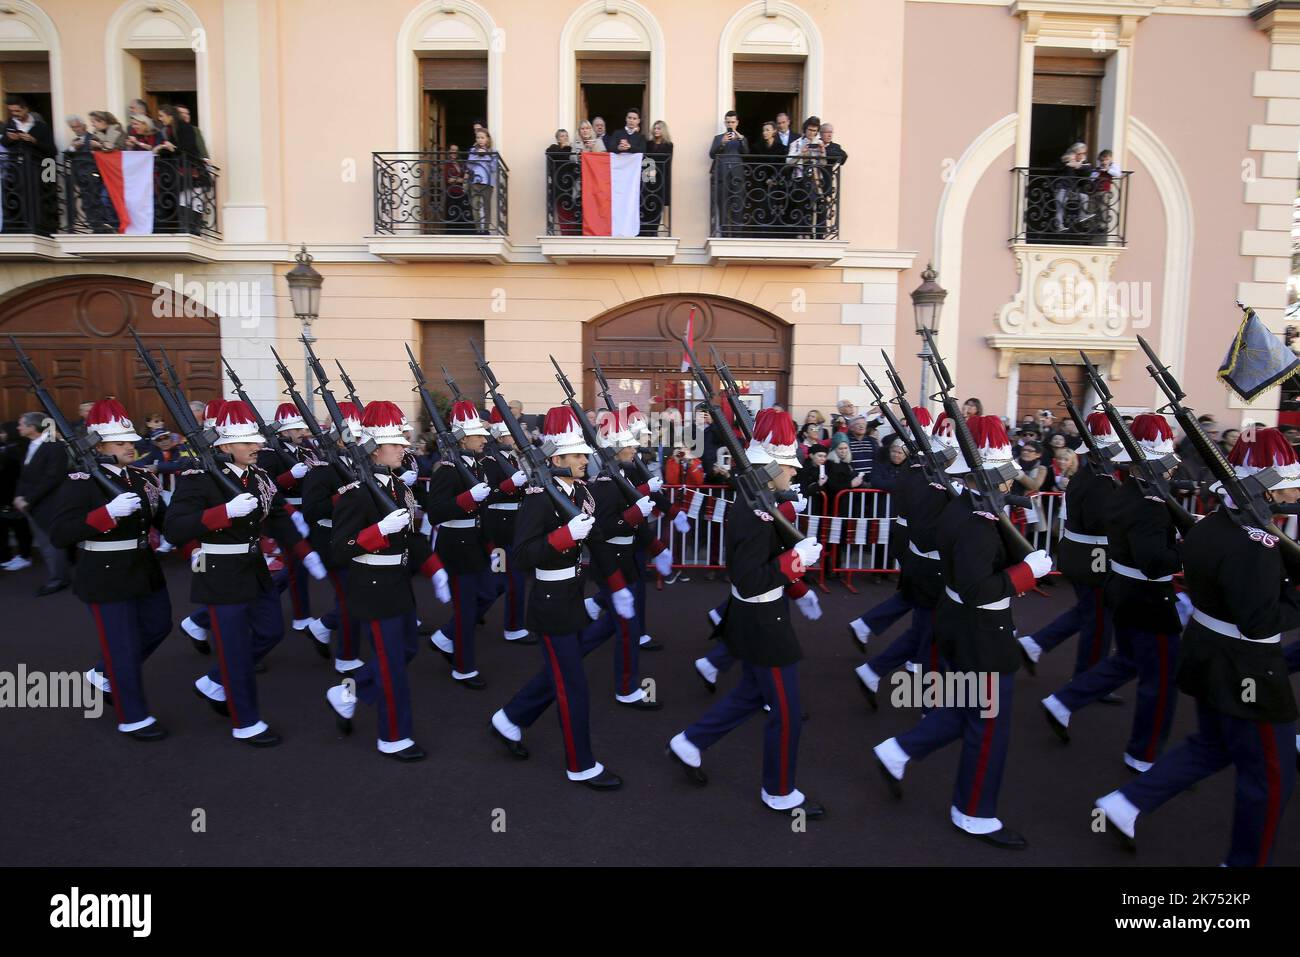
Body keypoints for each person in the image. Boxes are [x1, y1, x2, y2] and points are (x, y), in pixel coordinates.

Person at [1095, 427, 1300, 864]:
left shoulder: (1214, 527)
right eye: (1285, 486)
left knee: (1211, 745)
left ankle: (1127, 803)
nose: (1291, 494)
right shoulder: (1256, 545)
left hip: (1207, 653)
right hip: (1248, 668)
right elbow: (1260, 620)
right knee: (1269, 775)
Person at [873, 416, 1053, 849]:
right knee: (989, 725)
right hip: (980, 629)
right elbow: (978, 590)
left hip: (962, 622)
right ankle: (974, 812)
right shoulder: (974, 522)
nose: (1012, 486)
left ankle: (900, 751)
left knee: (969, 706)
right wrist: (1024, 575)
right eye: (1005, 479)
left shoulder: (971, 509)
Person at [668, 409, 826, 819]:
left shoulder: (764, 503)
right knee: (787, 712)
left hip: (761, 614)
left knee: (751, 695)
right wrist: (795, 561)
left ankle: (691, 741)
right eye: (788, 467)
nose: (793, 474)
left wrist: (797, 581)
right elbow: (754, 577)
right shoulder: (755, 512)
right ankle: (779, 790)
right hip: (762, 622)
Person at [164, 400, 327, 746]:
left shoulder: (259, 476)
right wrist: (223, 512)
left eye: (257, 440)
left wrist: (305, 552)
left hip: (254, 566)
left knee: (269, 631)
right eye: (248, 442)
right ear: (224, 446)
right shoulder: (199, 479)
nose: (258, 447)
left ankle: (215, 680)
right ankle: (246, 720)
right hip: (219, 570)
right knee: (236, 649)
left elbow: (279, 517)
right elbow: (175, 528)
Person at [489, 407, 628, 789]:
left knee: (561, 672)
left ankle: (512, 718)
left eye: (584, 455)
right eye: (578, 455)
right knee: (573, 684)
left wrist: (615, 585)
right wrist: (564, 537)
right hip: (550, 600)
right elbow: (521, 556)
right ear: (556, 461)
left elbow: (597, 540)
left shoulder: (580, 491)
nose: (585, 460)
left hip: (572, 594)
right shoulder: (538, 498)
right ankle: (580, 764)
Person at [1041, 414, 1185, 773]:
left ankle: (1065, 701)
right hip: (1148, 596)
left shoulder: (1126, 491)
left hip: (1123, 589)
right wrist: (1190, 547)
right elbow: (1155, 563)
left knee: (1129, 660)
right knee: (1161, 680)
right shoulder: (1149, 505)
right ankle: (1145, 754)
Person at [324, 401, 451, 761]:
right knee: (393, 663)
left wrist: (434, 567)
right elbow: (339, 550)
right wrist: (377, 531)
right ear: (375, 450)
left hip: (398, 581)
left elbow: (410, 537)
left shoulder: (398, 488)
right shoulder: (357, 493)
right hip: (373, 584)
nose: (404, 448)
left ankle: (347, 693)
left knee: (408, 649)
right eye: (396, 444)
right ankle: (394, 736)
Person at [47, 399, 171, 741]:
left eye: (130, 441)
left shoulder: (140, 477)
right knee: (122, 645)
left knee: (159, 625)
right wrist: (107, 514)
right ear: (99, 447)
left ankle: (103, 673)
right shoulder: (81, 481)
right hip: (104, 569)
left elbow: (162, 518)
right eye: (121, 443)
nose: (130, 447)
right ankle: (133, 716)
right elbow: (61, 533)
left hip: (143, 565)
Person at [854, 409, 954, 706]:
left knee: (924, 632)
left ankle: (874, 669)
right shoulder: (927, 479)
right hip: (932, 565)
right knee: (932, 637)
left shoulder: (924, 474)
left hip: (928, 562)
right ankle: (927, 703)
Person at [1018, 412, 1122, 679]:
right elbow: (1099, 521)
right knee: (1099, 619)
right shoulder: (1102, 481)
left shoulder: (1089, 475)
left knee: (1088, 611)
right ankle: (1089, 677)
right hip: (1095, 555)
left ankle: (1035, 644)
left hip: (1083, 552)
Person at [424, 401, 494, 688]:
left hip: (476, 541)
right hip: (455, 544)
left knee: (489, 592)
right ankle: (463, 667)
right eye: (478, 435)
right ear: (463, 438)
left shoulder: (476, 465)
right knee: (465, 610)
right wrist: (467, 500)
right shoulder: (448, 470)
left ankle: (444, 637)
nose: (483, 439)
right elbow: (436, 512)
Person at [258, 403, 329, 653]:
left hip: (309, 510)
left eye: (302, 427)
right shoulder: (269, 454)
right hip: (286, 512)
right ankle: (302, 615)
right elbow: (264, 487)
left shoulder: (307, 449)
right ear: (284, 432)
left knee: (303, 563)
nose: (302, 432)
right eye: (297, 428)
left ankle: (265, 595)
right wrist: (290, 476)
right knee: (297, 566)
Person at [479, 407, 533, 644]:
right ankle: (513, 627)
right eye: (511, 434)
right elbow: (487, 494)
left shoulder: (512, 457)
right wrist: (510, 487)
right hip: (500, 527)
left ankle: (473, 612)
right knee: (513, 580)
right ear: (501, 436)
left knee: (502, 581)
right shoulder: (490, 461)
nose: (516, 438)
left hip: (514, 523)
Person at [13, 411, 70, 595]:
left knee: (49, 543)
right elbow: (25, 475)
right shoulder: (31, 444)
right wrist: (19, 496)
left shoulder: (53, 446)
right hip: (33, 503)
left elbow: (52, 478)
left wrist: (27, 499)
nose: (18, 427)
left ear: (32, 427)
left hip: (48, 503)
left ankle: (58, 579)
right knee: (47, 543)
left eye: (21, 424)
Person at [3, 95, 56, 234]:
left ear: (25, 109)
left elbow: (52, 150)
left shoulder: (41, 127)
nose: (15, 114)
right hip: (15, 171)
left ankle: (34, 228)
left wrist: (34, 141)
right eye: (12, 111)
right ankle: (14, 229)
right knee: (14, 198)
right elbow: (4, 143)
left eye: (18, 111)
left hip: (35, 170)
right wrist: (9, 138)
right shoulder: (10, 124)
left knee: (33, 199)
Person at [0, 421, 34, 570]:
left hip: (14, 494)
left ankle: (24, 556)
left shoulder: (16, 449)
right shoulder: (9, 448)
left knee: (20, 527)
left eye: (3, 432)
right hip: (7, 494)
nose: (2, 435)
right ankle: (7, 556)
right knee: (5, 527)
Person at [785, 116, 826, 238]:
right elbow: (788, 161)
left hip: (814, 178)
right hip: (800, 177)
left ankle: (810, 234)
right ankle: (800, 233)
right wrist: (801, 153)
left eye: (814, 131)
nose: (811, 133)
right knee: (801, 205)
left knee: (814, 205)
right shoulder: (796, 143)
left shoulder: (819, 144)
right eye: (810, 130)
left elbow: (823, 164)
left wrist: (822, 152)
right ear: (805, 129)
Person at [709, 111, 749, 237]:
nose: (730, 124)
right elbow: (711, 154)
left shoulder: (742, 138)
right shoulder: (718, 138)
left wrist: (741, 139)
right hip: (722, 177)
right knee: (723, 206)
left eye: (732, 122)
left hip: (737, 177)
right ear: (724, 122)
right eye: (728, 122)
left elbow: (747, 153)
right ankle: (725, 235)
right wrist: (722, 143)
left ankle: (737, 236)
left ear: (737, 123)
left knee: (738, 205)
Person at [642, 119, 672, 237]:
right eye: (654, 128)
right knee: (647, 203)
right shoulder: (648, 144)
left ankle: (654, 230)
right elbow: (645, 159)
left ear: (663, 130)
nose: (656, 131)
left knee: (657, 204)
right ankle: (646, 230)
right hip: (648, 178)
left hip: (661, 179)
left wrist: (654, 167)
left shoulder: (668, 145)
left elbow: (667, 162)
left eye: (659, 128)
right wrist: (650, 170)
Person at [466, 127, 498, 235]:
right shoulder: (473, 151)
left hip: (488, 183)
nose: (480, 140)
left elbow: (494, 168)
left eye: (482, 137)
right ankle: (478, 229)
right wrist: (476, 155)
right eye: (478, 137)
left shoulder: (493, 152)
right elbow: (469, 166)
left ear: (487, 139)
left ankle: (486, 229)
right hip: (475, 182)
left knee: (486, 206)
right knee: (475, 206)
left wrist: (485, 155)